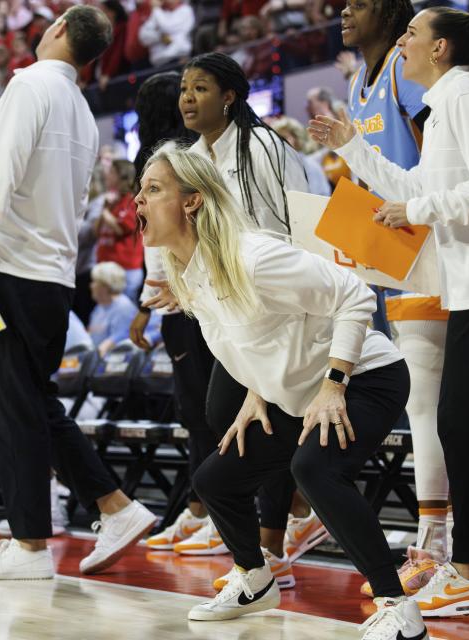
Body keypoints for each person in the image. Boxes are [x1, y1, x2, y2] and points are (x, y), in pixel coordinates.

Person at [310, 7, 469, 618]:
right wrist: (354, 148)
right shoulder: (448, 101)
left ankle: (468, 568)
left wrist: (418, 213)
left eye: (412, 35)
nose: (402, 44)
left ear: (439, 48)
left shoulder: (465, 97)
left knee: (461, 427)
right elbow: (415, 188)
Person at [136, 144, 424, 639]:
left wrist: (335, 383)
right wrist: (256, 390)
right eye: (139, 191)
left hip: (365, 377)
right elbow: (245, 339)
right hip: (298, 396)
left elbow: (354, 297)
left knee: (315, 469)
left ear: (192, 201)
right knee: (216, 479)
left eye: (153, 189)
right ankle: (254, 580)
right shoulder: (192, 274)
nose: (138, 201)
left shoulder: (255, 257)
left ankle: (398, 608)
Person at [0, 6, 156, 581]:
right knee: (33, 402)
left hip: (9, 266)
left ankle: (32, 545)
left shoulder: (27, 86)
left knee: (14, 409)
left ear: (57, 28)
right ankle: (114, 506)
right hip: (55, 274)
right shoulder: (83, 110)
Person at [154, 53, 323, 590]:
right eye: (183, 88)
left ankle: (272, 545)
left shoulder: (263, 146)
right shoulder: (193, 156)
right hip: (234, 307)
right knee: (225, 412)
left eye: (200, 88)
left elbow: (287, 226)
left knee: (251, 415)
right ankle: (287, 523)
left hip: (278, 301)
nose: (186, 97)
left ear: (229, 95)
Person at [336, 0, 455, 600]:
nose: (342, 13)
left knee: (428, 407)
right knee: (419, 406)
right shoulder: (360, 80)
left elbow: (429, 167)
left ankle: (438, 543)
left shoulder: (406, 82)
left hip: (425, 251)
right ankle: (438, 539)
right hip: (382, 255)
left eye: (356, 5)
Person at [129, 71, 217, 555]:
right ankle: (199, 507)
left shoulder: (170, 161)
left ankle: (216, 511)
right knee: (195, 411)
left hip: (187, 295)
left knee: (206, 411)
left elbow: (163, 243)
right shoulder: (187, 154)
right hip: (178, 295)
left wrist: (155, 295)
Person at [95, 159, 144, 302]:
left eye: (111, 172)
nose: (107, 175)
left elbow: (121, 230)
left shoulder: (132, 201)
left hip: (125, 269)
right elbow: (96, 231)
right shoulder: (113, 201)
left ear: (122, 176)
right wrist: (106, 209)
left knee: (124, 313)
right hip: (106, 266)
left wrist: (105, 213)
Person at [88, 261, 138, 356]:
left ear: (106, 285)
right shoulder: (99, 308)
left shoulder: (124, 307)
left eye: (95, 282)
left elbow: (121, 341)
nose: (91, 286)